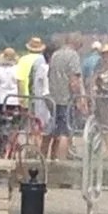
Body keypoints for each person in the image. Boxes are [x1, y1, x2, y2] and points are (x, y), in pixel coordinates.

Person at [44, 33, 83, 161]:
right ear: (76, 42)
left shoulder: (55, 54)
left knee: (52, 131)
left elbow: (50, 75)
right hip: (66, 99)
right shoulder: (73, 55)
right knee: (65, 133)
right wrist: (78, 99)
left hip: (53, 98)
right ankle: (61, 162)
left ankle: (46, 158)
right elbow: (74, 80)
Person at [0, 48, 19, 115]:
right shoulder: (17, 69)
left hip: (1, 99)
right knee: (14, 120)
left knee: (3, 118)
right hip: (14, 99)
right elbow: (19, 84)